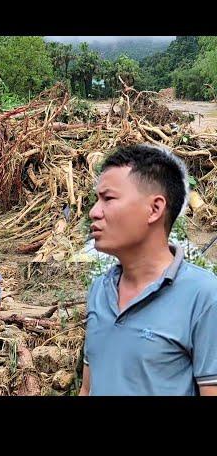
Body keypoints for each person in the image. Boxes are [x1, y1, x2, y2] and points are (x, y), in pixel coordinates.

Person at [80, 144, 217, 396]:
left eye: (108, 199)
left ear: (154, 209)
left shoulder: (206, 296)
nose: (94, 212)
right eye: (97, 199)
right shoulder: (100, 289)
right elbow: (88, 388)